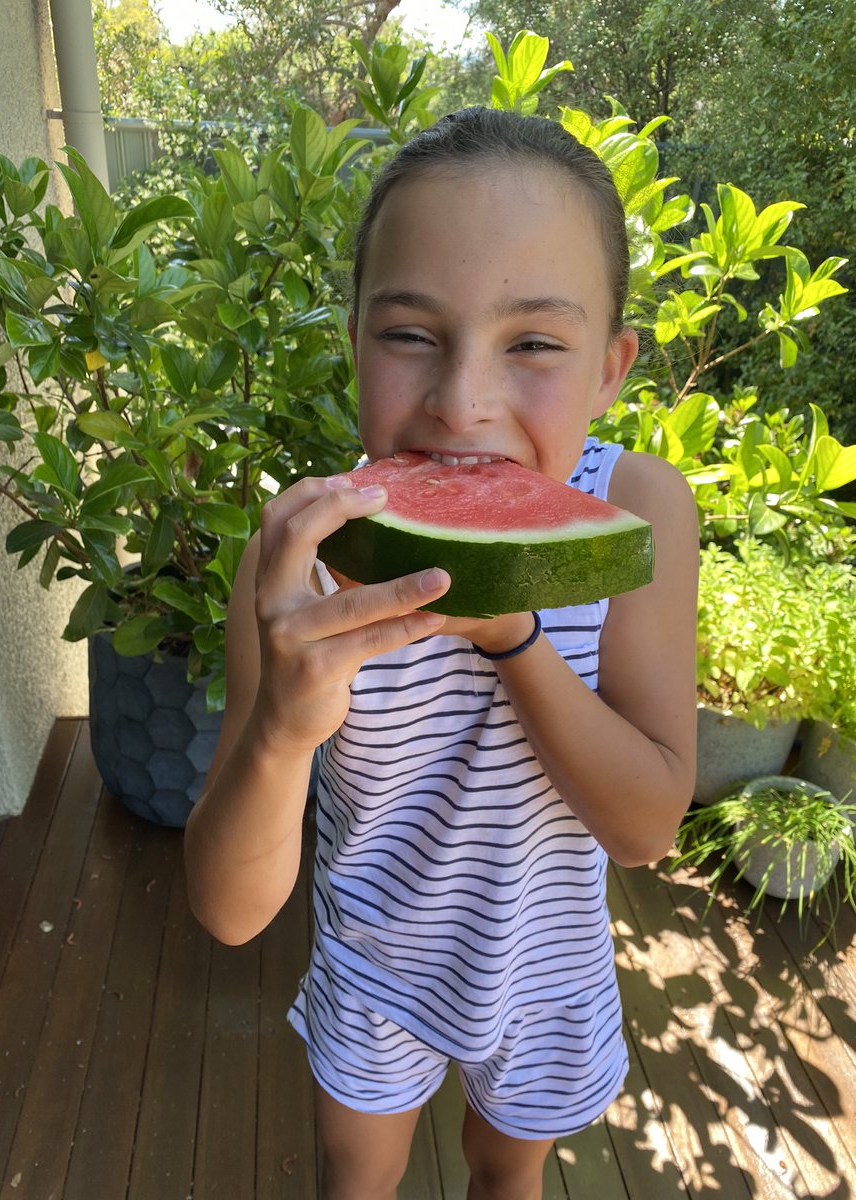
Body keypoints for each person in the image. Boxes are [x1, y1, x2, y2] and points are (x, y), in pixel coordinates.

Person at [184, 106, 699, 1200]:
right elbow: (229, 912)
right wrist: (282, 727)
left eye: (535, 344)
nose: (463, 403)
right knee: (354, 1177)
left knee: (502, 1179)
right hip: (374, 966)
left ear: (611, 367)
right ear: (355, 336)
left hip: (547, 976)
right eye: (411, 332)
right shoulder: (300, 561)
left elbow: (648, 825)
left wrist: (514, 633)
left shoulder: (639, 511)